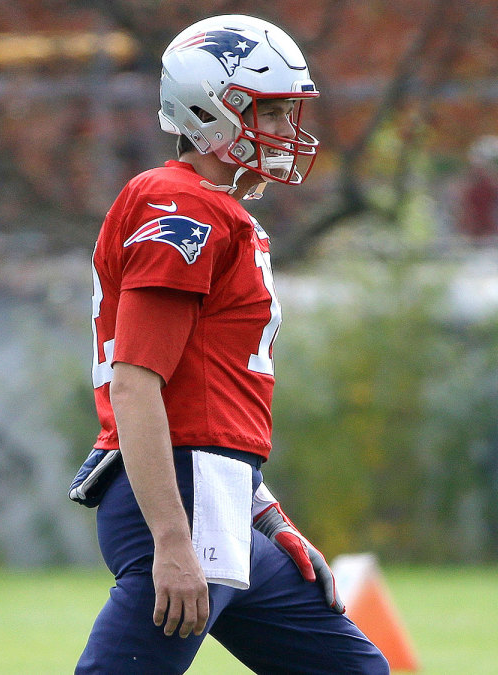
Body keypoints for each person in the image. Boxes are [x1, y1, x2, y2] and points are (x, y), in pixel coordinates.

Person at [69, 15, 389, 674]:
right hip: (180, 499)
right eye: (268, 112)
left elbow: (212, 404)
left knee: (353, 669)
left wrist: (269, 519)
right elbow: (136, 384)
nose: (284, 131)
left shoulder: (219, 209)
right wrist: (171, 537)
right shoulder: (180, 207)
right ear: (213, 111)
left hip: (216, 497)